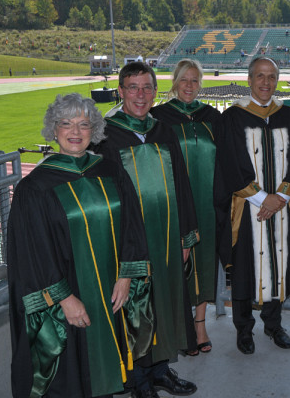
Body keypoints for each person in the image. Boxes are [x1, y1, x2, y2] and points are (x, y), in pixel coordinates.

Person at [8, 93, 154, 398]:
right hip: (68, 294)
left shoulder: (110, 170)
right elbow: (33, 254)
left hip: (112, 287)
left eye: (84, 124)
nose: (75, 131)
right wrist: (64, 299)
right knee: (73, 371)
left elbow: (132, 226)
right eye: (66, 123)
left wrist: (127, 276)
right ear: (53, 130)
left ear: (95, 130)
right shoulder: (35, 188)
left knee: (107, 362)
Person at [92, 62, 198, 398]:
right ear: (120, 91)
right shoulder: (105, 136)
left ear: (155, 91)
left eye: (147, 87)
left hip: (166, 236)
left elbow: (181, 183)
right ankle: (138, 381)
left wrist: (185, 236)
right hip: (128, 241)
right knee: (136, 310)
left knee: (164, 303)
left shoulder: (163, 130)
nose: (140, 95)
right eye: (133, 87)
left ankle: (160, 370)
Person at [216, 56, 290, 355]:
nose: (266, 82)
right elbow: (231, 162)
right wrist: (260, 197)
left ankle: (273, 324)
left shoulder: (289, 116)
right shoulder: (233, 117)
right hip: (247, 208)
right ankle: (244, 329)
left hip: (281, 207)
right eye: (260, 76)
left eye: (271, 77)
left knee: (277, 265)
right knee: (245, 267)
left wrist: (280, 197)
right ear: (249, 79)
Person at [150, 59, 222, 355]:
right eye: (184, 80)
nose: (189, 85)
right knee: (174, 264)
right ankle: (176, 326)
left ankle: (200, 324)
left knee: (204, 262)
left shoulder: (212, 117)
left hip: (206, 204)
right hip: (172, 205)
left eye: (195, 80)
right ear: (174, 83)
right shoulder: (157, 117)